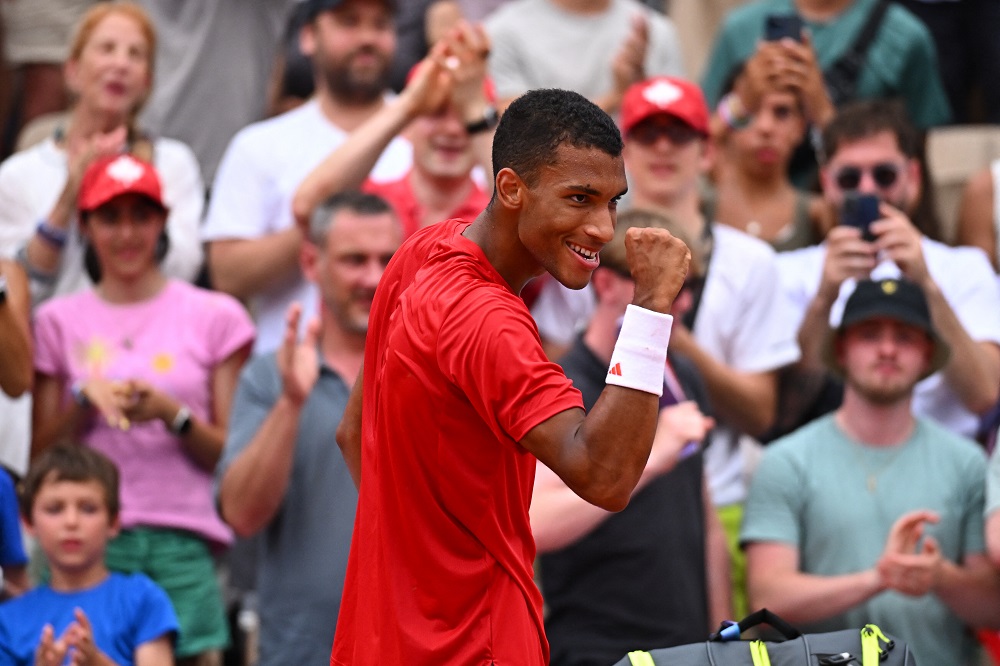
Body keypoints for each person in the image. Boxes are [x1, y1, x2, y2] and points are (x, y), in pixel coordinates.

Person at [331, 88, 691, 664]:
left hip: (380, 638)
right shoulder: (490, 322)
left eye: (612, 202)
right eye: (579, 198)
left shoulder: (424, 249)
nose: (602, 228)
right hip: (479, 645)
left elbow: (353, 433)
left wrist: (419, 569)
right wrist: (649, 310)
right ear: (510, 188)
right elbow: (605, 477)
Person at [31, 154, 254, 664]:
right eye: (110, 217)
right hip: (86, 542)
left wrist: (172, 415)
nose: (127, 233)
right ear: (85, 226)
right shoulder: (56, 321)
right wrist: (84, 403)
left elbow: (234, 453)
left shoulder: (216, 315)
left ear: (162, 221)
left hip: (184, 537)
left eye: (141, 215)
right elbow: (41, 454)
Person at [742, 277, 1000, 665]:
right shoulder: (786, 460)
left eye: (905, 337)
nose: (887, 349)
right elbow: (767, 599)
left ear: (928, 354)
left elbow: (992, 607)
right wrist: (879, 578)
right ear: (841, 349)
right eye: (869, 334)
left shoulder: (968, 461)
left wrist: (940, 577)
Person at [531, 208, 729, 666]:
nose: (679, 303)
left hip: (687, 647)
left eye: (686, 287)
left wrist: (723, 636)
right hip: (596, 649)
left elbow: (704, 516)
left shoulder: (682, 376)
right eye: (662, 285)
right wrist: (653, 454)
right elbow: (536, 522)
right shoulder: (563, 384)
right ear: (605, 284)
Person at [215, 192, 402, 665]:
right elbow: (240, 513)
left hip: (413, 649)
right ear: (310, 262)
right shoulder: (267, 377)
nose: (373, 277)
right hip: (299, 652)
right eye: (354, 260)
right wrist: (291, 402)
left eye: (386, 260)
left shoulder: (430, 376)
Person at [779, 100, 1000, 441]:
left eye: (884, 174)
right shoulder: (787, 272)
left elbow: (987, 396)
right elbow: (785, 409)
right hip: (826, 467)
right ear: (826, 183)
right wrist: (824, 298)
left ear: (912, 177)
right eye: (849, 177)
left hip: (946, 465)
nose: (867, 189)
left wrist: (925, 284)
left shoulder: (965, 267)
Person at [203, 0, 412, 355]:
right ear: (308, 37)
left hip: (410, 381)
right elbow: (227, 276)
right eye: (349, 22)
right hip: (290, 381)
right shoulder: (259, 145)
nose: (367, 38)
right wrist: (323, 231)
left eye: (380, 24)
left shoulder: (434, 138)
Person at [0, 2, 204, 306]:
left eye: (135, 54)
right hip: (50, 348)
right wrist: (69, 195)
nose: (120, 64)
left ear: (147, 82)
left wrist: (138, 188)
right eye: (107, 49)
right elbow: (17, 292)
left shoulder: (173, 163)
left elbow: (182, 271)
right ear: (72, 71)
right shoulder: (18, 174)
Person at [292, 21, 494, 239]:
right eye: (436, 112)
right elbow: (307, 210)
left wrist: (478, 117)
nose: (453, 130)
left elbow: (523, 218)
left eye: (467, 117)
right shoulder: (376, 203)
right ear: (407, 127)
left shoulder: (499, 213)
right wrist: (407, 106)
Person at [0, 443, 177, 665]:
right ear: (28, 522)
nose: (71, 522)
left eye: (88, 509)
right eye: (55, 509)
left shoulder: (143, 598)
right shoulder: (8, 620)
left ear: (114, 522)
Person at [484, 0, 684, 114]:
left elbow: (677, 134)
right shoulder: (501, 33)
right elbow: (517, 130)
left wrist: (643, 90)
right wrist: (617, 96)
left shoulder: (658, 31)